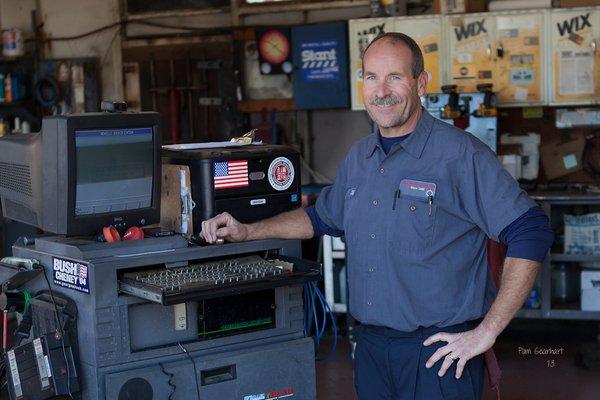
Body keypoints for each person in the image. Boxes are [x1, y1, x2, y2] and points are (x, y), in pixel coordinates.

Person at [200, 32, 554, 400]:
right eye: (372, 77)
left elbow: (531, 231)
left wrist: (488, 331)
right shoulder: (360, 157)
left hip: (438, 355)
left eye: (395, 77)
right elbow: (320, 219)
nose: (381, 90)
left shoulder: (459, 155)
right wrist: (246, 231)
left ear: (420, 83)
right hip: (370, 350)